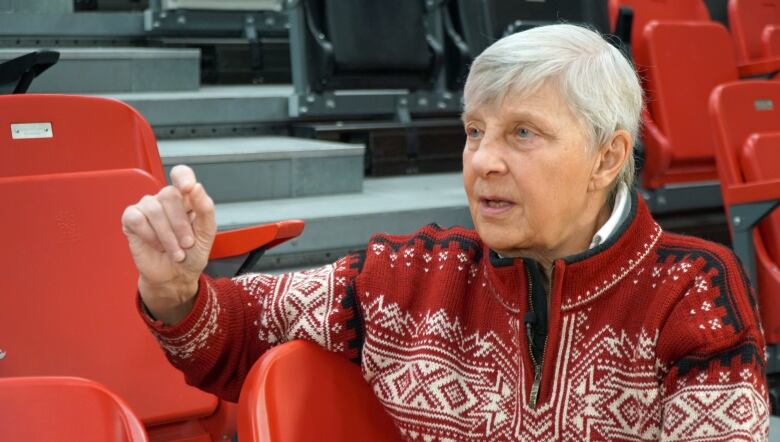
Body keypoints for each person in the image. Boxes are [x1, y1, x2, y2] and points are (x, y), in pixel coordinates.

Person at [122, 24, 769, 441]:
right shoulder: (410, 276)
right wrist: (176, 291)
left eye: (522, 132)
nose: (483, 158)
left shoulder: (692, 292)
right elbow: (232, 332)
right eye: (473, 131)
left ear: (606, 157)